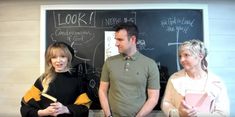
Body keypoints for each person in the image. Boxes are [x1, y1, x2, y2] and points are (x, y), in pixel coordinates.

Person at [99, 22, 160, 117]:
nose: (116, 43)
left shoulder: (150, 64)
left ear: (132, 39)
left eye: (120, 40)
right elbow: (102, 90)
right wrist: (108, 115)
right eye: (116, 39)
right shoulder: (109, 62)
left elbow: (153, 97)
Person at [161, 39, 230, 117]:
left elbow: (223, 113)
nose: (181, 60)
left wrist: (198, 114)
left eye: (186, 55)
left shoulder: (216, 82)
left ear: (200, 56)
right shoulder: (174, 79)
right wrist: (178, 113)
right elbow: (166, 103)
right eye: (180, 56)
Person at [20, 42, 91, 117]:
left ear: (68, 58)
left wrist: (66, 109)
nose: (58, 60)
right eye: (54, 57)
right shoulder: (43, 79)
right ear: (50, 60)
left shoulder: (78, 80)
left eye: (63, 56)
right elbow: (26, 106)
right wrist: (44, 112)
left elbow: (84, 108)